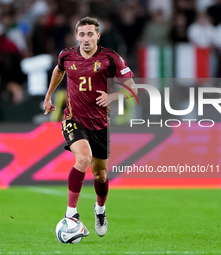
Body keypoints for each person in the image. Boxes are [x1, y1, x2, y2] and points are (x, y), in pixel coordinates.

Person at [43, 16, 136, 237]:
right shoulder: (66, 56)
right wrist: (48, 97)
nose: (86, 39)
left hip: (100, 124)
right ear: (77, 36)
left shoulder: (110, 58)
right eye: (82, 34)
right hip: (73, 120)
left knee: (101, 175)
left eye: (90, 34)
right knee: (82, 159)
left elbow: (133, 87)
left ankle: (100, 210)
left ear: (98, 36)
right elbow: (58, 71)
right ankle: (71, 214)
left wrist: (112, 97)